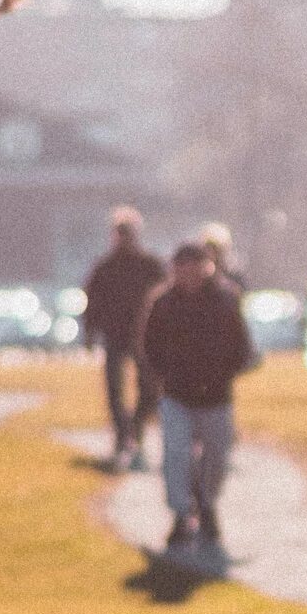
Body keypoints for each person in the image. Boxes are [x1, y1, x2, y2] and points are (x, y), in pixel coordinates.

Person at [137, 240, 256, 552]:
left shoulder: (225, 301)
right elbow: (150, 347)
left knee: (216, 456)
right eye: (181, 268)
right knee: (176, 456)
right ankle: (180, 514)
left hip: (216, 396)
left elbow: (241, 346)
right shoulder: (163, 304)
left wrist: (225, 371)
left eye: (194, 267)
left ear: (206, 268)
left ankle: (207, 505)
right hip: (177, 395)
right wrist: (164, 375)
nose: (187, 274)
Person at [81, 209, 168, 471]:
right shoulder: (104, 267)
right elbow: (92, 302)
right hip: (115, 336)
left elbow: (165, 299)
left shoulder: (151, 265)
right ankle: (123, 436)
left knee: (150, 388)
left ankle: (135, 431)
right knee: (114, 390)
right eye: (121, 233)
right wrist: (89, 332)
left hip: (146, 337)